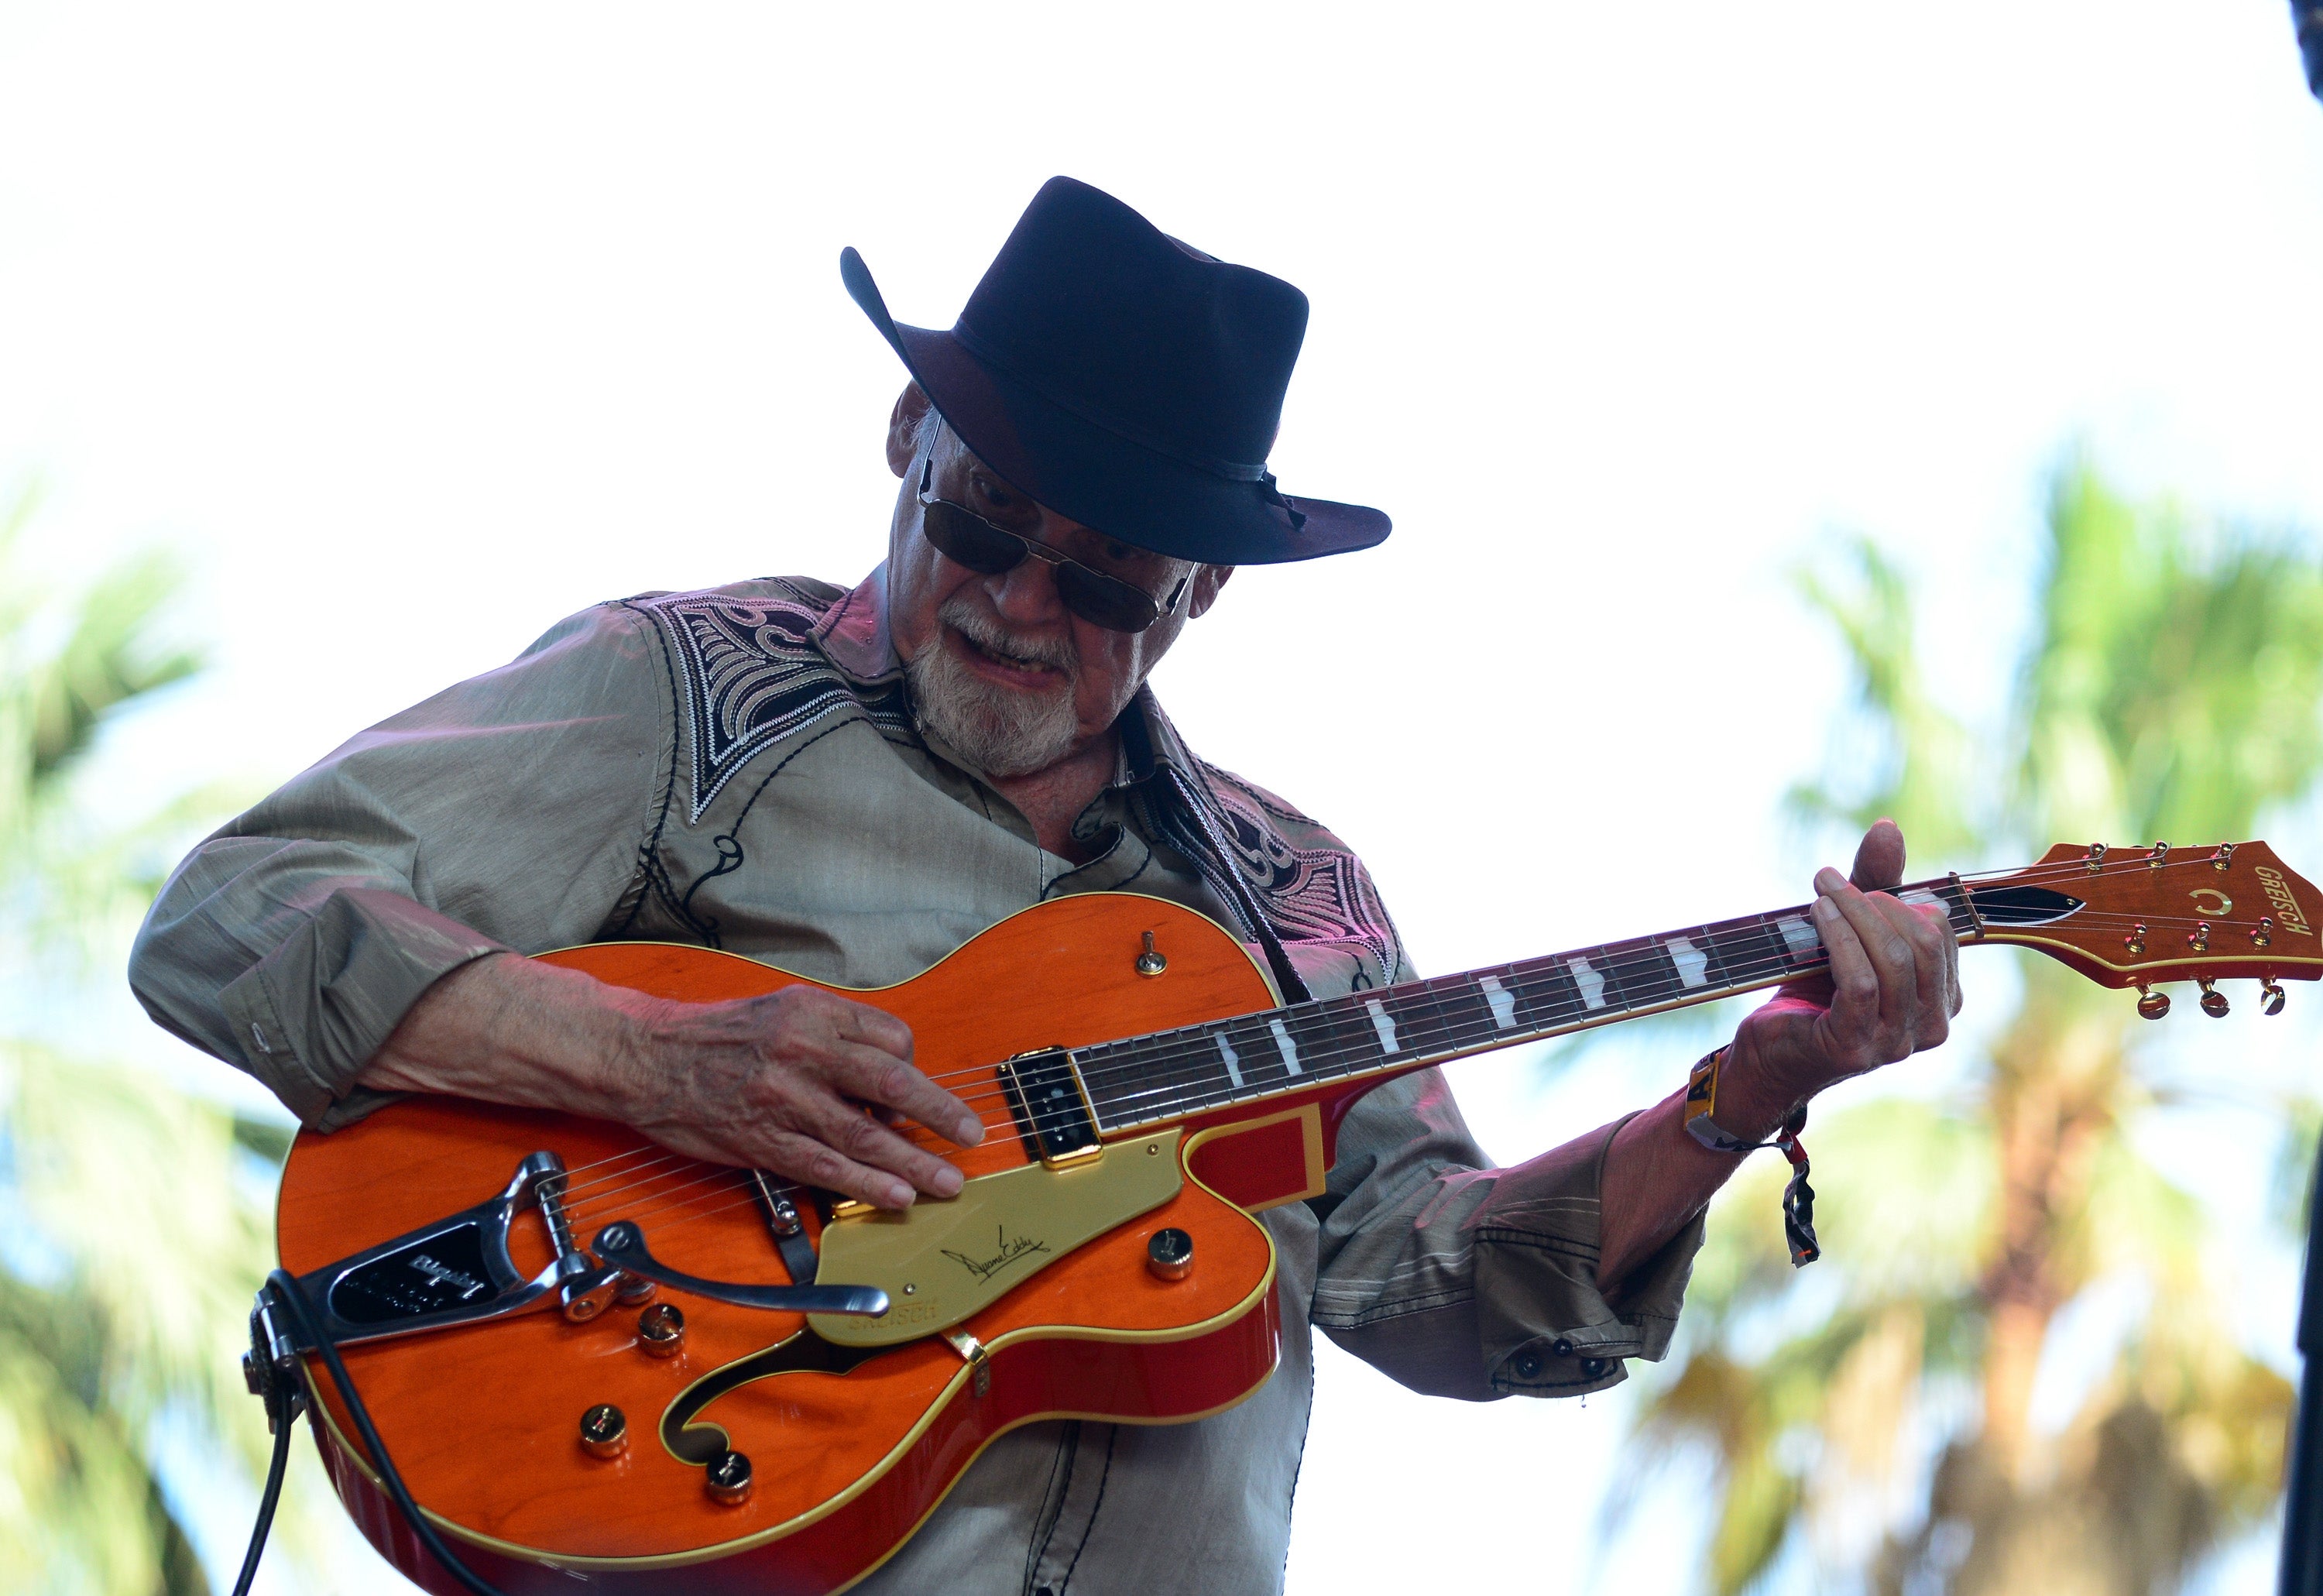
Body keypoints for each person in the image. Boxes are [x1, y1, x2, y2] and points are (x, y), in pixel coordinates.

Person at [129, 177, 1961, 1594]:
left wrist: (1741, 1094)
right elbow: (236, 912)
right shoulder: (689, 688)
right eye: (986, 523)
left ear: (1200, 597)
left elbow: (1443, 1286)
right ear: (901, 446)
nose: (1017, 602)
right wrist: (659, 1061)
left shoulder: (1296, 897)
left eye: (1102, 586)